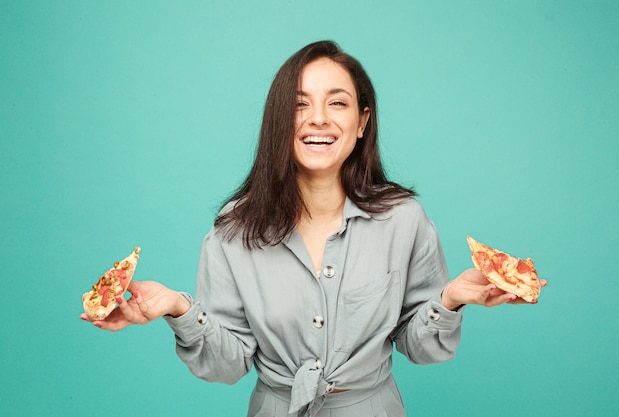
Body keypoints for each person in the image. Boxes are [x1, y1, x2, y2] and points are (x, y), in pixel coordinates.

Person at [81, 40, 547, 416]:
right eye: (300, 104)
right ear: (279, 121)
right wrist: (177, 308)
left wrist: (449, 300)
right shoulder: (232, 230)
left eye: (337, 103)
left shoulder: (404, 219)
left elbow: (421, 348)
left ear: (362, 121)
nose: (319, 118)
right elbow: (226, 366)